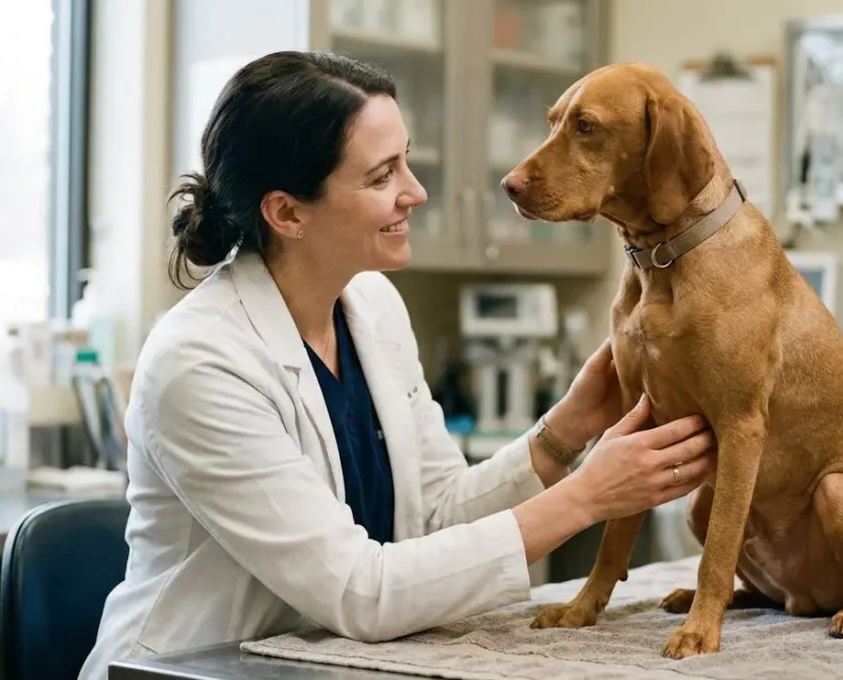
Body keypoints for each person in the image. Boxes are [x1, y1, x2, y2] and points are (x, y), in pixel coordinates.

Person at [78, 50, 715, 680]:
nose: (417, 191)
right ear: (288, 212)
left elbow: (436, 514)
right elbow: (359, 590)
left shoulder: (373, 307)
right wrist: (587, 497)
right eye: (383, 176)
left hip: (326, 663)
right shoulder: (199, 362)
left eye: (406, 160)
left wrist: (567, 429)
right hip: (197, 668)